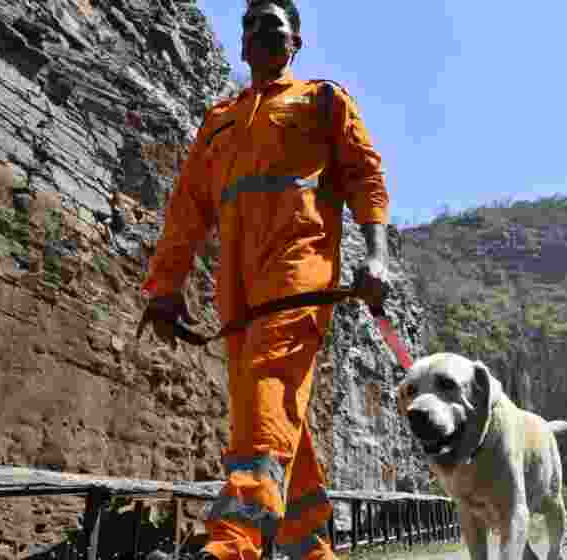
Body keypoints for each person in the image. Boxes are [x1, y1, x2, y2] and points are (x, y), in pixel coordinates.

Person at [138, 1, 391, 560]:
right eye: (249, 24)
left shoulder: (322, 100)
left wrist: (376, 256)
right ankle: (311, 547)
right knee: (265, 408)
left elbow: (365, 177)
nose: (258, 31)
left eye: (272, 23)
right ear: (241, 42)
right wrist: (164, 286)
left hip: (299, 270)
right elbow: (187, 210)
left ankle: (234, 543)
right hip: (236, 289)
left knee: (269, 384)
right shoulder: (218, 119)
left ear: (295, 40)